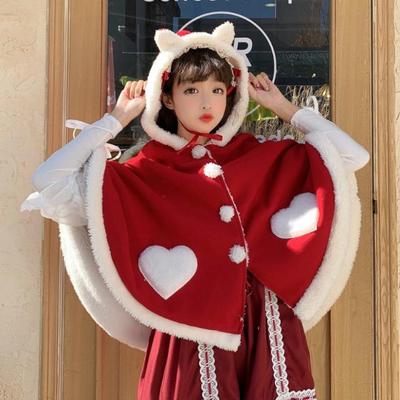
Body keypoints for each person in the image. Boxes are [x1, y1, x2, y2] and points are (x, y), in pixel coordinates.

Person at [21, 22, 370, 399]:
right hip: (187, 331)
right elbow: (49, 181)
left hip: (264, 327)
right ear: (167, 98)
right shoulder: (144, 172)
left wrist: (284, 108)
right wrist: (116, 119)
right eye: (191, 90)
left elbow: (353, 157)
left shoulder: (260, 155)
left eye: (217, 90)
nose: (207, 104)